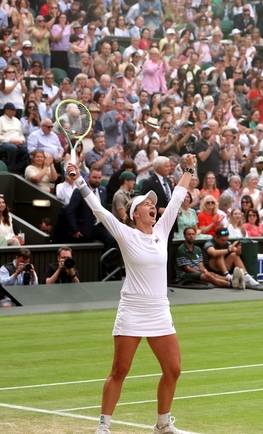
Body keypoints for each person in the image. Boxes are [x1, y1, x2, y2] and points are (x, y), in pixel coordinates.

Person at [69, 155, 192, 434]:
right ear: (135, 213)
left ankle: (162, 424)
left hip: (160, 309)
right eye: (147, 204)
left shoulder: (161, 229)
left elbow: (177, 197)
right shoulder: (126, 234)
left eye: (153, 204)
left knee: (173, 369)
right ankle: (104, 425)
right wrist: (78, 179)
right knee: (120, 371)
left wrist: (189, 168)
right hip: (133, 309)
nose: (153, 206)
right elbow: (99, 211)